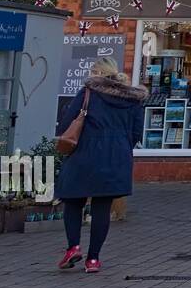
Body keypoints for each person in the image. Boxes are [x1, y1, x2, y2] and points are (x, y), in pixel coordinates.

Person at [55, 57, 147, 272]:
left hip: (84, 155)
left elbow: (67, 123)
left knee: (73, 201)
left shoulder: (88, 93)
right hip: (116, 158)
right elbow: (136, 133)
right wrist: (120, 146)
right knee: (102, 208)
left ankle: (73, 247)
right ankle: (93, 259)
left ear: (97, 72)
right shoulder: (133, 100)